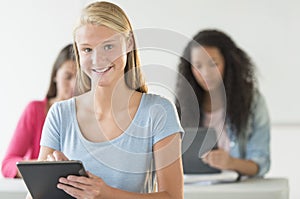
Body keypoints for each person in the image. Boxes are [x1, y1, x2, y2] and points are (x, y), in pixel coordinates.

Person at [33, 2, 184, 199]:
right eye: (87, 50)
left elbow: (173, 196)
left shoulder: (158, 112)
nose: (98, 60)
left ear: (128, 43)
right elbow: (33, 196)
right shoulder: (60, 114)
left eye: (108, 46)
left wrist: (106, 194)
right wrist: (51, 182)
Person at [175, 29, 270, 177]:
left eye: (213, 64)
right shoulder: (183, 104)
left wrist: (231, 163)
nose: (206, 73)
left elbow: (261, 163)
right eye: (198, 66)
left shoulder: (252, 101)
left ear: (229, 63)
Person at [1, 44, 77, 178]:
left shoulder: (94, 116)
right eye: (68, 77)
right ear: (55, 75)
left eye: (80, 78)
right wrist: (43, 165)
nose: (74, 85)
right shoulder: (35, 110)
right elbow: (7, 164)